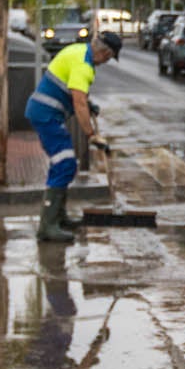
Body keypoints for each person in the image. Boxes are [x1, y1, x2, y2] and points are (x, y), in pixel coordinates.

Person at [24, 30, 121, 242]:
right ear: (105, 54)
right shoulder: (84, 66)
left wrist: (89, 104)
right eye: (110, 57)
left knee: (62, 164)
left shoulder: (78, 51)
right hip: (46, 116)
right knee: (65, 164)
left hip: (45, 113)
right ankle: (47, 226)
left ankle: (59, 217)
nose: (107, 61)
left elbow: (76, 92)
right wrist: (91, 134)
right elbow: (78, 102)